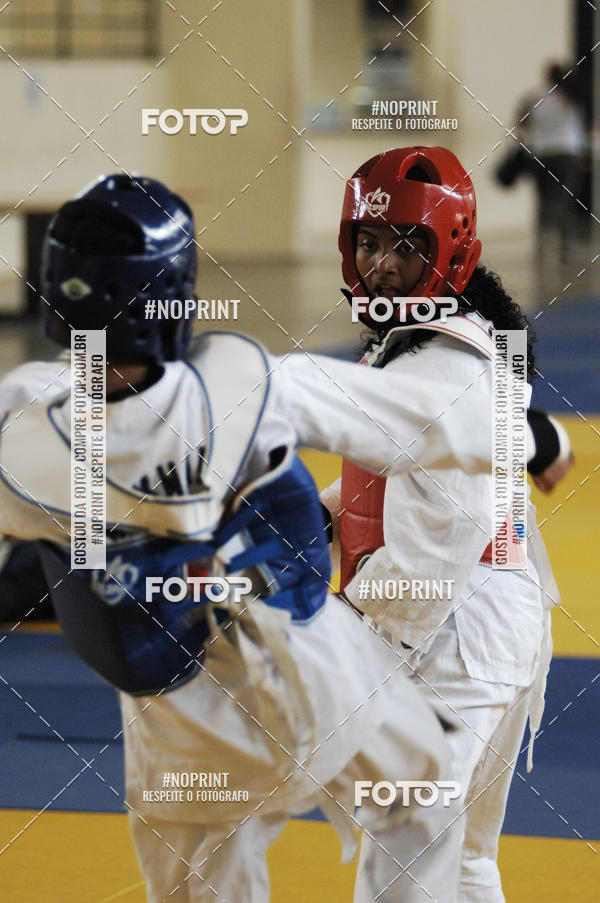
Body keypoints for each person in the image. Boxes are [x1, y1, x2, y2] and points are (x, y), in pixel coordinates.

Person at [0, 174, 498, 903]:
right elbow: (425, 418)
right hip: (332, 687)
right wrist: (529, 433)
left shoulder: (25, 453)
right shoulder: (238, 383)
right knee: (429, 778)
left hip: (188, 753)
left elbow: (53, 392)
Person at [321, 146, 569, 903]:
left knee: (401, 875)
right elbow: (406, 474)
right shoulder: (430, 345)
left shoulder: (440, 363)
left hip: (454, 638)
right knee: (460, 863)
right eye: (369, 242)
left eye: (406, 245)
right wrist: (322, 509)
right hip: (490, 626)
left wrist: (345, 625)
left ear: (449, 252)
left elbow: (445, 540)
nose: (382, 265)